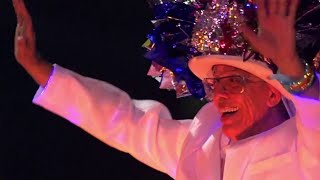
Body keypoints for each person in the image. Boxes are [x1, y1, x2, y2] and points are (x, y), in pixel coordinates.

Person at [12, 0, 320, 179]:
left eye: (235, 82)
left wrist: (292, 68)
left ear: (273, 92)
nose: (220, 95)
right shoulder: (201, 144)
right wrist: (42, 70)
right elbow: (125, 121)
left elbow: (315, 112)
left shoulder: (304, 150)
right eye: (215, 83)